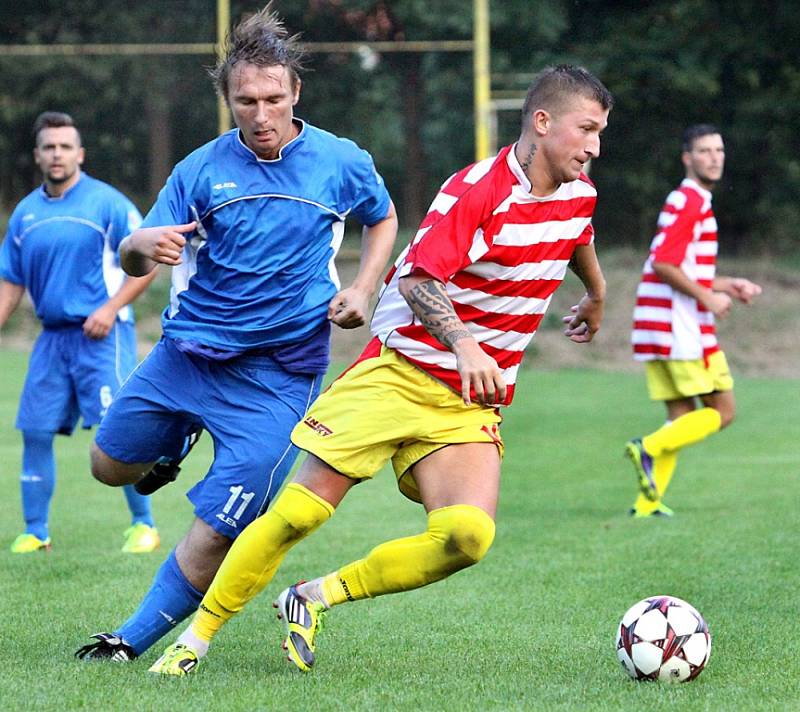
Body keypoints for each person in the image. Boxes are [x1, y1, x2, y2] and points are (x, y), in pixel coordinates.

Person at [149, 63, 614, 676]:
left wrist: (598, 294)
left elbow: (575, 233)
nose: (595, 146)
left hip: (465, 402)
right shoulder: (478, 190)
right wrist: (469, 347)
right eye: (587, 130)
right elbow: (420, 279)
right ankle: (193, 643)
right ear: (543, 122)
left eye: (601, 132)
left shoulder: (579, 192)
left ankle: (313, 597)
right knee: (299, 515)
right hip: (400, 371)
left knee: (466, 538)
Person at [74, 4, 397, 662]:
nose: (261, 113)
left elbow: (383, 219)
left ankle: (130, 642)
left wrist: (363, 287)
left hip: (279, 379)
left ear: (295, 93)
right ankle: (175, 439)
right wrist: (142, 243)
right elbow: (135, 257)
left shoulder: (340, 161)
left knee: (222, 524)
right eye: (246, 100)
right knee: (108, 467)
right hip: (188, 355)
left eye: (274, 98)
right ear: (228, 100)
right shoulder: (198, 171)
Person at [0, 111, 159, 555]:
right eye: (49, 147)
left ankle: (144, 526)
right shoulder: (26, 215)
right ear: (37, 155)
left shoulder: (107, 204)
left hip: (101, 337)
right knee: (34, 431)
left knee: (117, 432)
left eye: (65, 146)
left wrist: (110, 308)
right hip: (51, 340)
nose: (57, 154)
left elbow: (147, 262)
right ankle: (36, 532)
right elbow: (10, 283)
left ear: (80, 154)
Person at [626, 124, 761, 518]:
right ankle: (646, 448)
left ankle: (647, 503)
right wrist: (708, 298)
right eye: (704, 151)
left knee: (681, 418)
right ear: (687, 158)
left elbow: (676, 265)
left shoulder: (684, 199)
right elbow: (664, 263)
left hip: (659, 324)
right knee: (723, 411)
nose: (715, 157)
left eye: (719, 150)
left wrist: (727, 285)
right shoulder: (691, 201)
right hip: (679, 328)